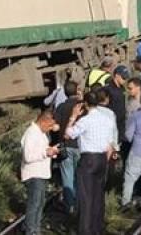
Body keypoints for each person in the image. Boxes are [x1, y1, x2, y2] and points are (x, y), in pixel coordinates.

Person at [65, 91, 118, 235]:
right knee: (98, 195)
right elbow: (110, 144)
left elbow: (68, 134)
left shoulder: (85, 120)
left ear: (86, 104)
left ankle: (85, 230)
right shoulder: (107, 119)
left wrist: (73, 117)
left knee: (86, 197)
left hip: (88, 159)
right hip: (102, 158)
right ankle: (97, 228)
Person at [20, 110, 60, 235]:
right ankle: (31, 230)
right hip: (34, 174)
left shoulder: (41, 134)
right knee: (34, 204)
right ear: (43, 121)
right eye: (49, 126)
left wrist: (51, 151)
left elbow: (42, 150)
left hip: (41, 173)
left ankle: (35, 229)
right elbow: (28, 156)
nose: (50, 129)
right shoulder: (31, 133)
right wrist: (45, 153)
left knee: (40, 203)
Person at [54, 82, 81, 215]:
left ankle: (69, 206)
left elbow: (56, 125)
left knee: (67, 177)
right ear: (77, 90)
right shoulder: (81, 107)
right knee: (79, 176)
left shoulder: (60, 107)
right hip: (80, 146)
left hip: (65, 146)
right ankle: (79, 204)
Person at [104, 65, 130, 135]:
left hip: (121, 124)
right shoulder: (108, 89)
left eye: (126, 78)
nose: (125, 80)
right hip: (111, 123)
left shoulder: (122, 88)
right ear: (116, 75)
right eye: (123, 78)